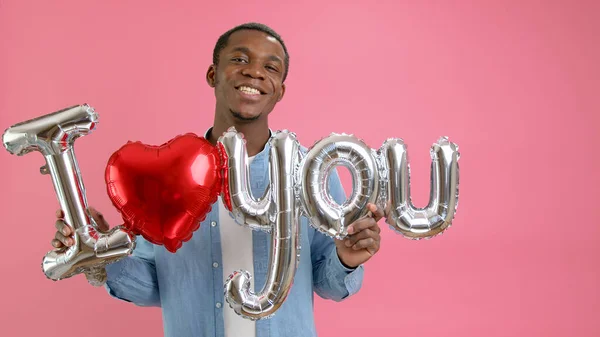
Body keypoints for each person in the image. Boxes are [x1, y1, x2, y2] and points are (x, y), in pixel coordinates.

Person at [51, 22, 383, 337]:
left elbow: (330, 283)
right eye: (239, 59)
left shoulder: (313, 173)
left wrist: (346, 259)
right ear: (213, 74)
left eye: (271, 67)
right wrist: (100, 254)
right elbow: (155, 286)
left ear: (280, 90)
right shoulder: (166, 174)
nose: (254, 71)